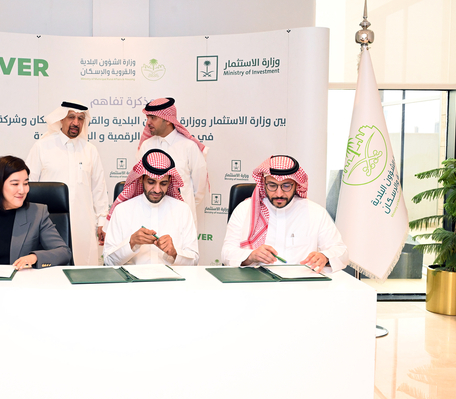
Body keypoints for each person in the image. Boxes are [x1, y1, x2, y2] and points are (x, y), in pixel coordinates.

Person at [221, 155, 348, 273]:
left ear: (296, 184)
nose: (279, 194)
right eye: (272, 185)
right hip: (256, 282)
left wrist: (325, 257)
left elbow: (342, 252)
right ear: (264, 183)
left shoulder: (315, 212)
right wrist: (250, 256)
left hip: (301, 284)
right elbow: (226, 254)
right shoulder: (244, 210)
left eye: (286, 186)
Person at [26, 100, 109, 266]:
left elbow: (98, 189)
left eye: (80, 118)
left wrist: (102, 221)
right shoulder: (42, 147)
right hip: (48, 223)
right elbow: (29, 186)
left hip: (83, 223)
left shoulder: (90, 150)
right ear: (61, 118)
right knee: (51, 269)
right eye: (71, 117)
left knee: (84, 270)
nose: (76, 122)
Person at [104, 149, 199, 266]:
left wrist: (175, 254)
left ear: (170, 181)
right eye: (151, 182)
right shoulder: (122, 210)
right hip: (132, 278)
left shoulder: (182, 210)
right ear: (141, 179)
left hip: (170, 278)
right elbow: (109, 262)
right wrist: (131, 243)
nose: (157, 190)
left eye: (163, 183)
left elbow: (194, 261)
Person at [136, 97, 208, 225]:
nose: (148, 122)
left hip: (181, 219)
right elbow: (139, 182)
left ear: (168, 120)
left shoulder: (189, 146)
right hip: (151, 217)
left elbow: (199, 188)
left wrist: (184, 206)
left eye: (153, 118)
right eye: (147, 118)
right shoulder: (146, 146)